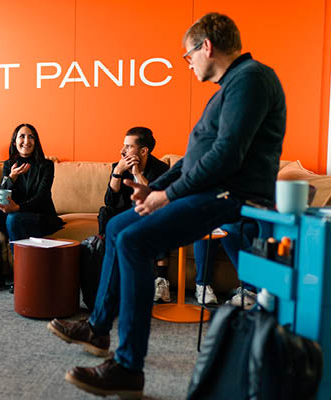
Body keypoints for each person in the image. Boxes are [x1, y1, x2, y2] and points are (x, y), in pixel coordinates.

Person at [47, 12, 286, 398]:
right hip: (211, 189)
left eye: (188, 55)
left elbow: (226, 156)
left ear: (206, 46)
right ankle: (98, 328)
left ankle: (128, 367)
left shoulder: (251, 79)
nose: (188, 63)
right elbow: (193, 161)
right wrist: (153, 188)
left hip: (234, 195)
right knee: (117, 227)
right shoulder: (230, 87)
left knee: (135, 241)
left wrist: (167, 196)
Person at [0, 123, 64, 293]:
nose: (26, 141)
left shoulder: (46, 165)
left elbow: (42, 197)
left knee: (13, 218)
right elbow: (2, 194)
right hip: (15, 217)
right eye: (22, 136)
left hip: (41, 217)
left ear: (36, 141)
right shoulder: (9, 164)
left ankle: (21, 274)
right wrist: (11, 177)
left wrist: (17, 208)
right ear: (14, 142)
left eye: (31, 137)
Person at [97, 127, 170, 302]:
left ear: (144, 151)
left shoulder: (161, 169)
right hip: (124, 213)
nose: (122, 151)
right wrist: (117, 172)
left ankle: (161, 280)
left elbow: (155, 198)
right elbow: (110, 201)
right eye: (124, 145)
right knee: (105, 212)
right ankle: (106, 267)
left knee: (161, 218)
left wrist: (137, 173)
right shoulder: (119, 166)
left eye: (128, 147)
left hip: (148, 212)